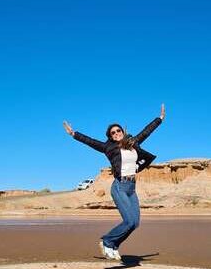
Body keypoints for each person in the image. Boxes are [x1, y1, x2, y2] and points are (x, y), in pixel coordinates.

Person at [63, 104, 165, 260]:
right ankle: (107, 241)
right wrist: (74, 134)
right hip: (119, 186)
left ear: (123, 132)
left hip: (132, 187)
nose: (116, 133)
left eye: (118, 130)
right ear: (110, 136)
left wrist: (159, 119)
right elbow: (90, 141)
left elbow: (146, 131)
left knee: (135, 223)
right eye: (113, 132)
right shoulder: (107, 148)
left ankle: (114, 245)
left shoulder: (133, 143)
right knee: (129, 220)